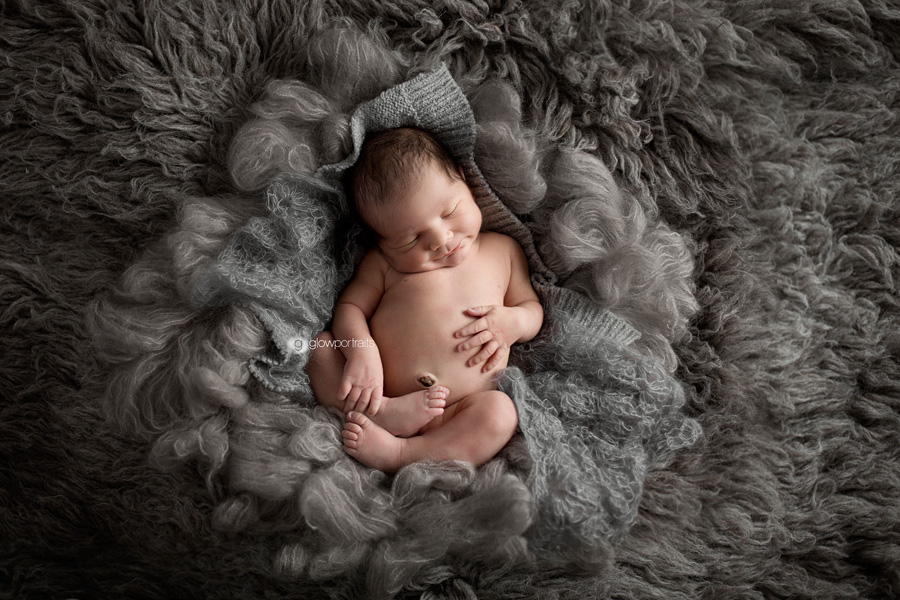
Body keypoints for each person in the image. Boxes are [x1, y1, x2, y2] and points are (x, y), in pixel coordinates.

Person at [306, 127, 543, 472]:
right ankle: (381, 413)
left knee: (500, 413)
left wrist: (514, 323)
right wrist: (361, 350)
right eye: (410, 239)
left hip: (463, 407)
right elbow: (351, 308)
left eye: (449, 212)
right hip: (379, 391)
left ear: (464, 181)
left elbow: (532, 309)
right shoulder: (383, 265)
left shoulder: (503, 250)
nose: (440, 239)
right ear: (382, 243)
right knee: (320, 349)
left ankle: (404, 453)